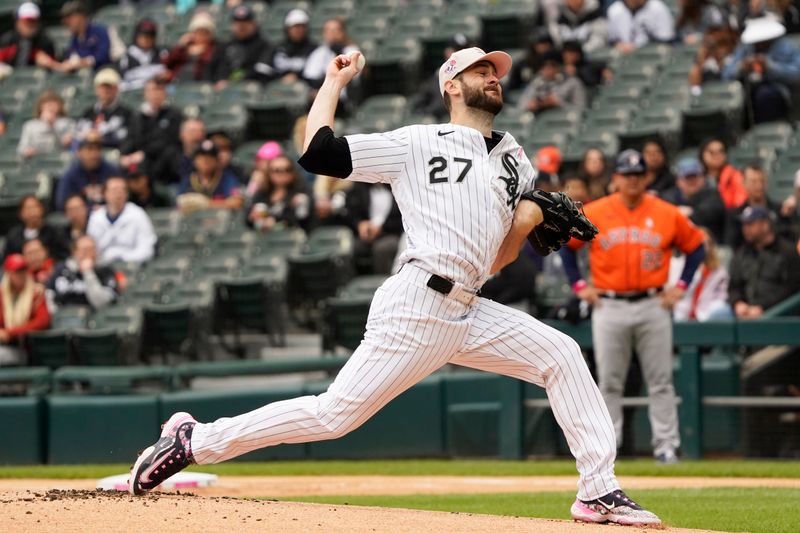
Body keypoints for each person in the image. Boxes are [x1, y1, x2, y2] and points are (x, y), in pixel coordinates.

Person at [129, 46, 662, 527]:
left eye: (495, 71)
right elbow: (319, 153)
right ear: (451, 85)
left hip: (470, 306)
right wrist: (334, 84)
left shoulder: (515, 160)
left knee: (562, 354)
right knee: (334, 416)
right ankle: (195, 440)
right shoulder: (417, 142)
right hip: (416, 304)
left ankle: (598, 492)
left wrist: (523, 226)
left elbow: (494, 258)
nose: (492, 76)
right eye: (480, 70)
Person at [560, 149, 706, 465]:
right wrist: (580, 286)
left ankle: (666, 447)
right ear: (616, 178)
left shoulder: (666, 212)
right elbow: (567, 248)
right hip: (609, 305)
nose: (632, 181)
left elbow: (697, 247)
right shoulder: (596, 211)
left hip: (654, 303)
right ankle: (608, 450)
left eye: (637, 175)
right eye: (627, 174)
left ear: (646, 177)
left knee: (661, 381)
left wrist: (680, 286)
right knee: (609, 382)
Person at [722, 16, 800, 124]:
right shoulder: (746, 48)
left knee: (765, 96)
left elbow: (796, 73)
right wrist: (741, 68)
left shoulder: (786, 46)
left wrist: (770, 67)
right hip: (747, 91)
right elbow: (726, 74)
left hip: (776, 90)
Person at [729, 206, 800, 319]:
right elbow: (734, 286)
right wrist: (738, 303)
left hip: (779, 315)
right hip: (745, 314)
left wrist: (763, 307)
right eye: (744, 225)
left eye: (750, 224)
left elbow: (792, 290)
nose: (745, 229)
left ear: (765, 225)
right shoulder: (742, 254)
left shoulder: (787, 252)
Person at [87, 176, 157, 264]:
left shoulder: (138, 214)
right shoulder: (96, 217)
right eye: (114, 190)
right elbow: (91, 248)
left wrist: (121, 258)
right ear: (105, 194)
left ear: (127, 194)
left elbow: (147, 250)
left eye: (122, 190)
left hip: (132, 266)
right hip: (103, 267)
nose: (118, 194)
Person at [120, 77, 182, 175]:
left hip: (162, 163)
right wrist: (125, 155)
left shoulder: (174, 114)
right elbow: (130, 138)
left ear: (165, 93)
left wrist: (144, 154)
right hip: (139, 159)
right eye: (152, 90)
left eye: (159, 90)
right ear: (145, 93)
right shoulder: (137, 116)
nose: (155, 94)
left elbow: (168, 141)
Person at [0, 254, 50, 366]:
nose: (21, 275)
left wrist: (9, 333)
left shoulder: (36, 292)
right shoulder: (2, 294)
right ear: (9, 274)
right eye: (17, 271)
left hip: (25, 348)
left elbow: (42, 322)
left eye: (23, 270)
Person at [662, 157, 727, 242]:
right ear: (678, 181)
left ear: (703, 178)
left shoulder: (713, 195)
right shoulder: (667, 197)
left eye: (695, 177)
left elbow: (711, 214)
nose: (692, 181)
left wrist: (691, 213)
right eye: (687, 177)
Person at [673, 229, 732, 321]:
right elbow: (673, 292)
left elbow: (722, 296)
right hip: (681, 311)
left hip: (707, 312)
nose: (702, 247)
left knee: (723, 310)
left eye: (706, 243)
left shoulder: (719, 271)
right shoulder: (677, 265)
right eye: (699, 243)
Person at [46, 235, 118, 311]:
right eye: (84, 250)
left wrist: (88, 273)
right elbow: (48, 293)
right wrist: (55, 314)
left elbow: (102, 304)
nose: (88, 253)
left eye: (92, 249)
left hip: (93, 318)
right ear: (74, 252)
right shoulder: (61, 269)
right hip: (63, 318)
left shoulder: (105, 270)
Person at [410, 34, 472, 121]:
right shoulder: (435, 78)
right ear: (447, 52)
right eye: (456, 50)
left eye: (462, 51)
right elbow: (417, 105)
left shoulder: (476, 77)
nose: (459, 55)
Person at [345, 182, 403, 275]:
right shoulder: (359, 188)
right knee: (349, 248)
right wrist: (359, 224)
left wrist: (381, 228)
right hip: (365, 233)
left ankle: (382, 282)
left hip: (389, 233)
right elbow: (350, 211)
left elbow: (401, 218)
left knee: (382, 249)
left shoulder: (398, 188)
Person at [725, 163, 786, 248]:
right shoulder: (735, 216)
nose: (759, 186)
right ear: (744, 183)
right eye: (754, 181)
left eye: (762, 181)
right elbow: (732, 246)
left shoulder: (781, 211)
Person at [211, 5, 273, 87]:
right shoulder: (225, 46)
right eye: (237, 23)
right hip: (224, 92)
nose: (241, 26)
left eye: (245, 22)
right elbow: (214, 69)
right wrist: (221, 80)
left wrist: (234, 83)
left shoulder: (264, 46)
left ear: (254, 24)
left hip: (251, 91)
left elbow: (262, 71)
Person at [247, 155, 312, 232]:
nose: (282, 173)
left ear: (293, 172)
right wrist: (252, 217)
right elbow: (248, 219)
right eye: (277, 170)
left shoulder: (302, 191)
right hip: (263, 238)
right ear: (269, 173)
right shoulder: (262, 193)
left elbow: (305, 220)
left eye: (287, 169)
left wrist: (275, 221)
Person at [55, 132, 119, 211]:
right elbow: (62, 203)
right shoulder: (71, 174)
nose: (94, 154)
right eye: (89, 149)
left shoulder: (111, 170)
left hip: (108, 216)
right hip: (82, 217)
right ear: (79, 152)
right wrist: (88, 209)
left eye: (98, 149)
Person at [177, 139, 243, 211]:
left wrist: (207, 203)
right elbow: (179, 204)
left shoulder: (226, 178)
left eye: (210, 157)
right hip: (194, 221)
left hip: (220, 221)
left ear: (217, 161)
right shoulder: (189, 180)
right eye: (201, 157)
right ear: (194, 161)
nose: (206, 160)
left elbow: (237, 202)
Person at [75, 68, 133, 150]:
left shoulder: (126, 113)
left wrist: (101, 138)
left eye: (109, 87)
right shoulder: (88, 113)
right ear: (96, 89)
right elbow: (78, 133)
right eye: (102, 87)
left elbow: (126, 138)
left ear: (116, 89)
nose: (105, 90)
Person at [518, 50, 587, 115]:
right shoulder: (536, 82)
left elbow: (581, 110)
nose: (547, 69)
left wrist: (558, 104)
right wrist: (530, 105)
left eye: (552, 65)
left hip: (564, 123)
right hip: (539, 123)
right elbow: (520, 106)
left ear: (560, 66)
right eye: (544, 65)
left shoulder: (573, 82)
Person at [4, 196, 69, 261]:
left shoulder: (53, 232)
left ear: (42, 209)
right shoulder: (14, 235)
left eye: (35, 207)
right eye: (28, 208)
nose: (32, 212)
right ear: (21, 213)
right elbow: (6, 260)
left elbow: (63, 255)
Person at [302, 17, 358, 91]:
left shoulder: (352, 51)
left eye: (335, 30)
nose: (331, 34)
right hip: (324, 92)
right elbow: (311, 77)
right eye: (327, 30)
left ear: (343, 33)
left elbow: (353, 79)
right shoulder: (319, 52)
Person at [17, 90, 75, 158]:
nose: (50, 106)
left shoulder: (67, 123)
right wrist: (27, 151)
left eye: (54, 103)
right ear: (41, 106)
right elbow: (22, 148)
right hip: (36, 159)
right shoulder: (30, 125)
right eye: (47, 103)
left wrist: (51, 124)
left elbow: (66, 144)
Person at [58, 1, 111, 71]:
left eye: (69, 17)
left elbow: (103, 56)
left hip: (107, 69)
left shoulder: (99, 31)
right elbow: (72, 55)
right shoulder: (75, 37)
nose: (66, 21)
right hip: (88, 73)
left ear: (81, 16)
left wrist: (81, 62)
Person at [0, 2, 56, 69]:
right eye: (26, 22)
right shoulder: (7, 40)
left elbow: (55, 68)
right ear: (17, 22)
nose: (29, 25)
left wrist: (49, 64)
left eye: (33, 21)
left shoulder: (45, 43)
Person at [117, 19, 167, 92]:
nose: (146, 40)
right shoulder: (127, 57)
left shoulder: (162, 54)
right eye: (143, 36)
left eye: (150, 36)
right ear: (136, 37)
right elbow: (122, 81)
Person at [607, 0, 676, 53]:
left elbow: (666, 42)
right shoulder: (614, 10)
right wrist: (618, 45)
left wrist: (638, 48)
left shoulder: (658, 8)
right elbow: (611, 41)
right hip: (623, 56)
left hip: (651, 55)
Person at [541, 0, 608, 53]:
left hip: (588, 56)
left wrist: (579, 52)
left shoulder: (596, 16)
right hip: (565, 54)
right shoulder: (560, 17)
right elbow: (556, 38)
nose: (575, 1)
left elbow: (598, 41)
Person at [688, 25, 739, 95]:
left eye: (720, 42)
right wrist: (702, 56)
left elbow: (728, 75)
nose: (713, 46)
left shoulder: (732, 58)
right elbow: (695, 83)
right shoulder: (704, 61)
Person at [269, 9, 316, 83]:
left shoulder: (314, 49)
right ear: (287, 29)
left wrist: (297, 76)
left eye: (302, 27)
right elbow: (268, 71)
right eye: (295, 27)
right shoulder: (277, 48)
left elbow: (315, 74)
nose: (299, 30)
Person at [699, 137, 746, 209]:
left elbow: (740, 201)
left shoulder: (734, 176)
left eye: (721, 151)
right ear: (703, 154)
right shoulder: (696, 177)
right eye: (712, 152)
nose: (717, 155)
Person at [160, 117, 206, 186]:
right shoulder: (170, 155)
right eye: (193, 131)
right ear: (182, 134)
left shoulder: (210, 156)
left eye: (201, 131)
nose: (197, 135)